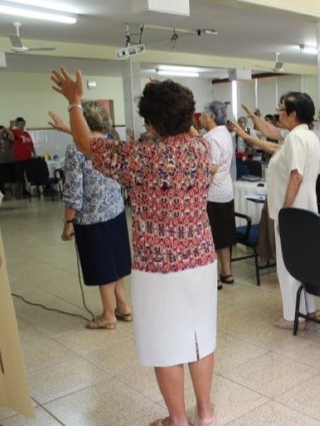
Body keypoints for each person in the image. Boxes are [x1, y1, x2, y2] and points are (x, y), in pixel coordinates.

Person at [50, 68, 217, 426]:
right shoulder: (202, 150)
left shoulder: (139, 158)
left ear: (151, 124)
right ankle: (205, 414)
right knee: (200, 336)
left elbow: (86, 144)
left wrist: (74, 102)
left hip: (158, 268)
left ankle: (177, 420)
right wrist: (171, 106)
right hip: (201, 259)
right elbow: (179, 127)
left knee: (166, 344)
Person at [49, 101, 132, 330]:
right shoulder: (111, 143)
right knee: (115, 261)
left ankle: (108, 315)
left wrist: (68, 223)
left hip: (91, 217)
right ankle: (123, 306)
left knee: (102, 264)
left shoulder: (75, 150)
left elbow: (74, 191)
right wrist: (68, 128)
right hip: (115, 212)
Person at [266, 91, 320, 329]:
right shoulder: (309, 136)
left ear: (293, 114)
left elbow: (295, 176)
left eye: (281, 110)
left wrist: (285, 213)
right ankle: (308, 309)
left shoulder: (296, 138)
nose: (278, 114)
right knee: (305, 260)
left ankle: (293, 316)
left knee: (289, 264)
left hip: (294, 208)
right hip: (306, 206)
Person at [200, 101, 236, 289]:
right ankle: (227, 272)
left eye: (204, 114)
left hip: (213, 193)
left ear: (212, 117)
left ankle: (214, 277)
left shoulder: (211, 138)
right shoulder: (224, 133)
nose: (201, 118)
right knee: (224, 234)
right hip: (226, 191)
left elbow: (212, 167)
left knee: (212, 236)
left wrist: (201, 187)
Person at [11, 117, 36, 198]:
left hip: (28, 158)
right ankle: (17, 193)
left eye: (22, 124)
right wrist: (11, 126)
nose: (21, 126)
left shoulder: (26, 134)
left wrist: (34, 153)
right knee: (19, 176)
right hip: (18, 158)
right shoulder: (14, 132)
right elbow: (8, 131)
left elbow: (31, 145)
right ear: (16, 125)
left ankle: (25, 190)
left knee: (27, 175)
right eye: (19, 124)